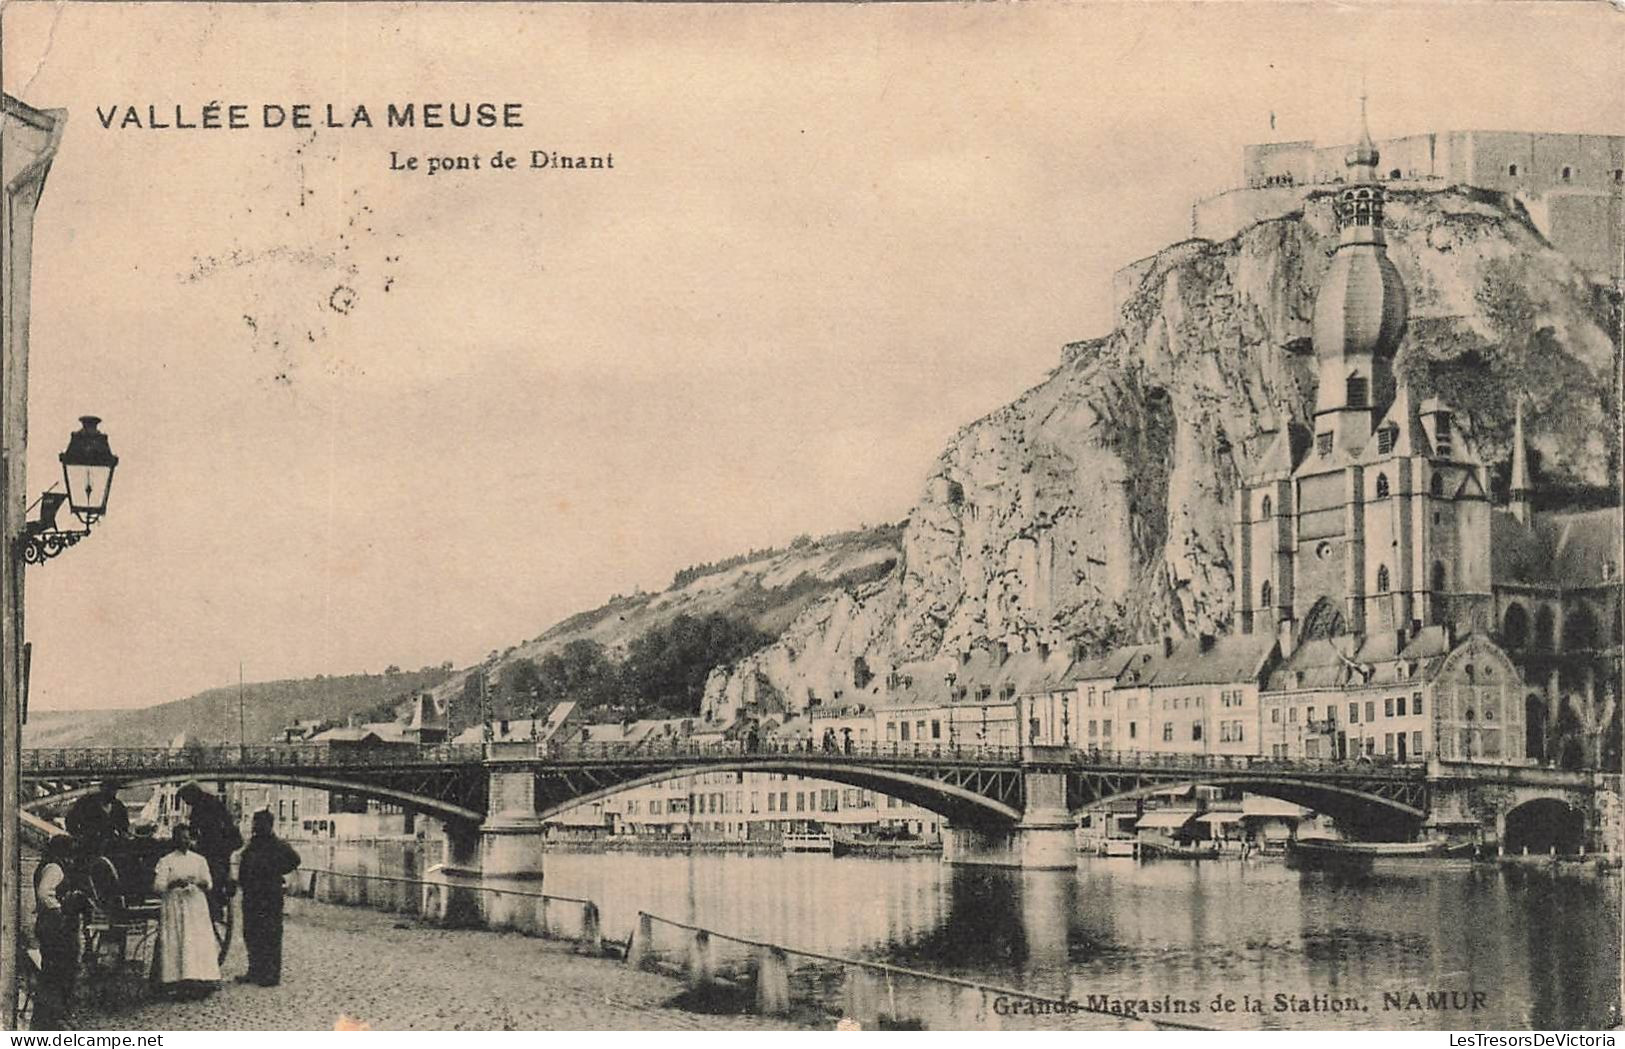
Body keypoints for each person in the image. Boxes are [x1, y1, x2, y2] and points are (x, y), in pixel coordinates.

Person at [151, 824, 221, 998]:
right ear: (175, 839)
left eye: (187, 837)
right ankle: (176, 979)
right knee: (177, 940)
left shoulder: (199, 860)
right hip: (175, 904)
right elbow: (158, 886)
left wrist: (200, 883)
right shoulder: (166, 860)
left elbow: (208, 883)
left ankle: (199, 978)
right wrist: (173, 883)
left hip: (195, 904)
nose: (185, 841)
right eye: (181, 837)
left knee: (196, 940)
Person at [236, 810, 302, 987]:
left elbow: (295, 860)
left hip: (269, 894)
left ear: (268, 825)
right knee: (251, 932)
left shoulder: (278, 845)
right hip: (251, 894)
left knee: (270, 933)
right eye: (255, 823)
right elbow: (244, 865)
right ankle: (254, 970)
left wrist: (275, 871)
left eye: (259, 823)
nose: (255, 827)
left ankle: (271, 974)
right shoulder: (252, 845)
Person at [31, 836, 86, 1030]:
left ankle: (52, 1015)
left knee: (55, 969)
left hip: (50, 925)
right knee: (60, 969)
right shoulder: (54, 868)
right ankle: (54, 1016)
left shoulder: (49, 865)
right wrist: (60, 909)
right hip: (56, 927)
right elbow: (45, 893)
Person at [175, 783, 242, 918]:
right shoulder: (211, 801)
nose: (187, 803)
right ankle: (220, 894)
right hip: (226, 842)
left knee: (209, 868)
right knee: (220, 869)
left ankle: (213, 901)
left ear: (191, 795)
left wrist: (190, 839)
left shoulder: (201, 806)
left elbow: (196, 829)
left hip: (216, 844)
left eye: (186, 800)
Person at [65, 781, 129, 852]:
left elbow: (124, 825)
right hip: (89, 844)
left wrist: (123, 834)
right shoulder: (86, 803)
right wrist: (77, 836)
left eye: (114, 790)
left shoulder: (118, 806)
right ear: (101, 788)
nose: (112, 793)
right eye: (109, 789)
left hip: (111, 845)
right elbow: (70, 820)